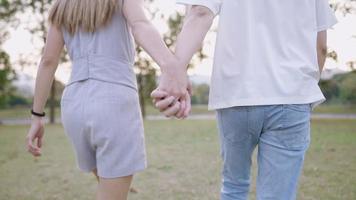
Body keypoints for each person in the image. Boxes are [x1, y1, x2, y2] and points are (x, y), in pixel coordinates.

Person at [152, 0, 337, 199]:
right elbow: (321, 46)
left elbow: (199, 13)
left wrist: (176, 71)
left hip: (236, 94)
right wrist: (304, 89)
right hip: (292, 94)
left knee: (234, 188)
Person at [25, 0, 190, 199]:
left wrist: (37, 116)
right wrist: (171, 66)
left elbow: (48, 61)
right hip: (114, 101)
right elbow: (140, 25)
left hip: (73, 105)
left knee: (107, 183)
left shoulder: (62, 5)